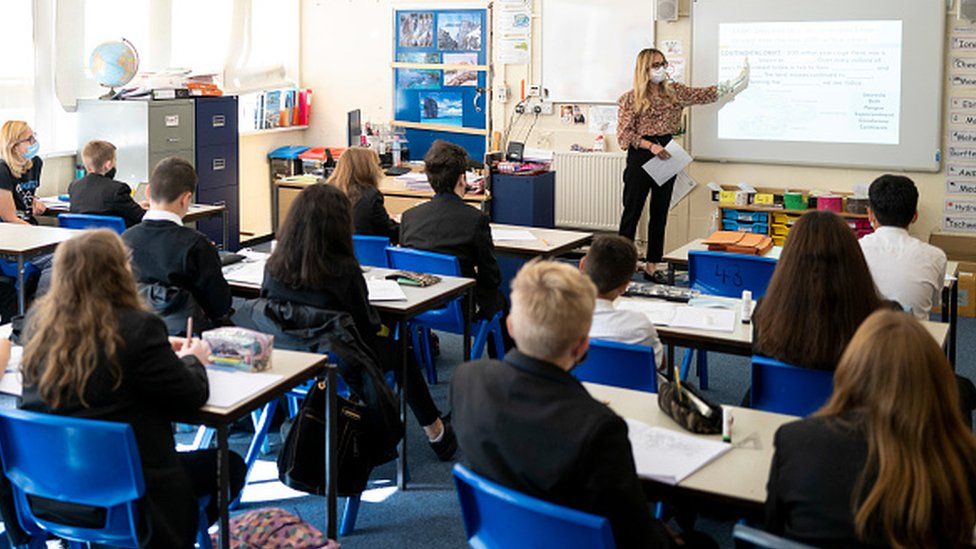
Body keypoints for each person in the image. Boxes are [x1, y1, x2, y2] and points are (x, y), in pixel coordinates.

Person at [13, 230, 246, 548]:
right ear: (120, 272)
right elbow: (191, 396)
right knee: (228, 465)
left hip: (52, 496)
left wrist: (159, 352)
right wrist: (194, 359)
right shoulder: (139, 328)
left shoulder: (40, 329)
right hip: (136, 504)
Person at [451, 261, 677, 548]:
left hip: (504, 534)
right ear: (583, 345)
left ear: (510, 326)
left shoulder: (466, 381)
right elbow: (635, 535)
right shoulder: (599, 428)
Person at [262, 183, 456, 460]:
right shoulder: (343, 271)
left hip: (292, 360)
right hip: (340, 362)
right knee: (401, 350)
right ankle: (435, 430)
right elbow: (364, 328)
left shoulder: (274, 266)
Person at [765, 310, 976, 547]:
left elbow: (773, 532)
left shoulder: (795, 442)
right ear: (938, 381)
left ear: (850, 368)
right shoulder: (961, 461)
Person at [617, 49, 747, 282]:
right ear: (644, 69)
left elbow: (703, 95)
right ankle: (620, 268)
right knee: (632, 212)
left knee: (660, 213)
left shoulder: (674, 91)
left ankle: (652, 265)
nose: (662, 69)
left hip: (667, 152)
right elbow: (624, 137)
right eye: (656, 65)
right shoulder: (630, 98)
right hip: (641, 155)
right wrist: (650, 146)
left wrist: (734, 82)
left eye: (663, 63)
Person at [400, 140, 512, 351]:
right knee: (499, 300)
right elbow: (491, 277)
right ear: (462, 179)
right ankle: (503, 368)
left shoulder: (409, 217)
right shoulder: (475, 219)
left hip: (417, 303)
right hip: (460, 308)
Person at [753, 211, 883, 371]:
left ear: (788, 263)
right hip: (848, 396)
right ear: (855, 261)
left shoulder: (765, 314)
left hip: (780, 395)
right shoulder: (880, 320)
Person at [123, 157, 232, 332]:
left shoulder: (124, 240)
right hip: (187, 339)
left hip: (136, 335)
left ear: (148, 192)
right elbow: (219, 306)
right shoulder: (197, 245)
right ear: (186, 199)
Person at [859, 174, 947, 320]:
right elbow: (934, 301)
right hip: (913, 338)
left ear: (870, 214)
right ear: (915, 216)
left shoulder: (854, 249)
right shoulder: (936, 256)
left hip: (864, 338)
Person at [580, 235, 664, 366]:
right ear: (626, 286)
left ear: (582, 266)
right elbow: (659, 363)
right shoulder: (640, 326)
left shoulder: (559, 320)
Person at [68, 140, 147, 228]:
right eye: (115, 161)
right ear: (108, 165)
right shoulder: (117, 189)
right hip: (113, 240)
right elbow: (142, 217)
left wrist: (136, 206)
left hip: (82, 239)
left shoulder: (74, 186)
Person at [328, 146, 399, 243]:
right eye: (378, 166)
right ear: (369, 169)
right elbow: (389, 232)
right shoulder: (371, 196)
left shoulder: (326, 193)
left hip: (332, 252)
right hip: (366, 255)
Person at [0, 121, 47, 225]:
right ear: (14, 146)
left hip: (26, 223)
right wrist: (35, 231)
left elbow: (25, 193)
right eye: (29, 139)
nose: (34, 142)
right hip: (9, 230)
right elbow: (9, 218)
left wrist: (34, 200)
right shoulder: (2, 170)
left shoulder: (36, 163)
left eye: (34, 137)